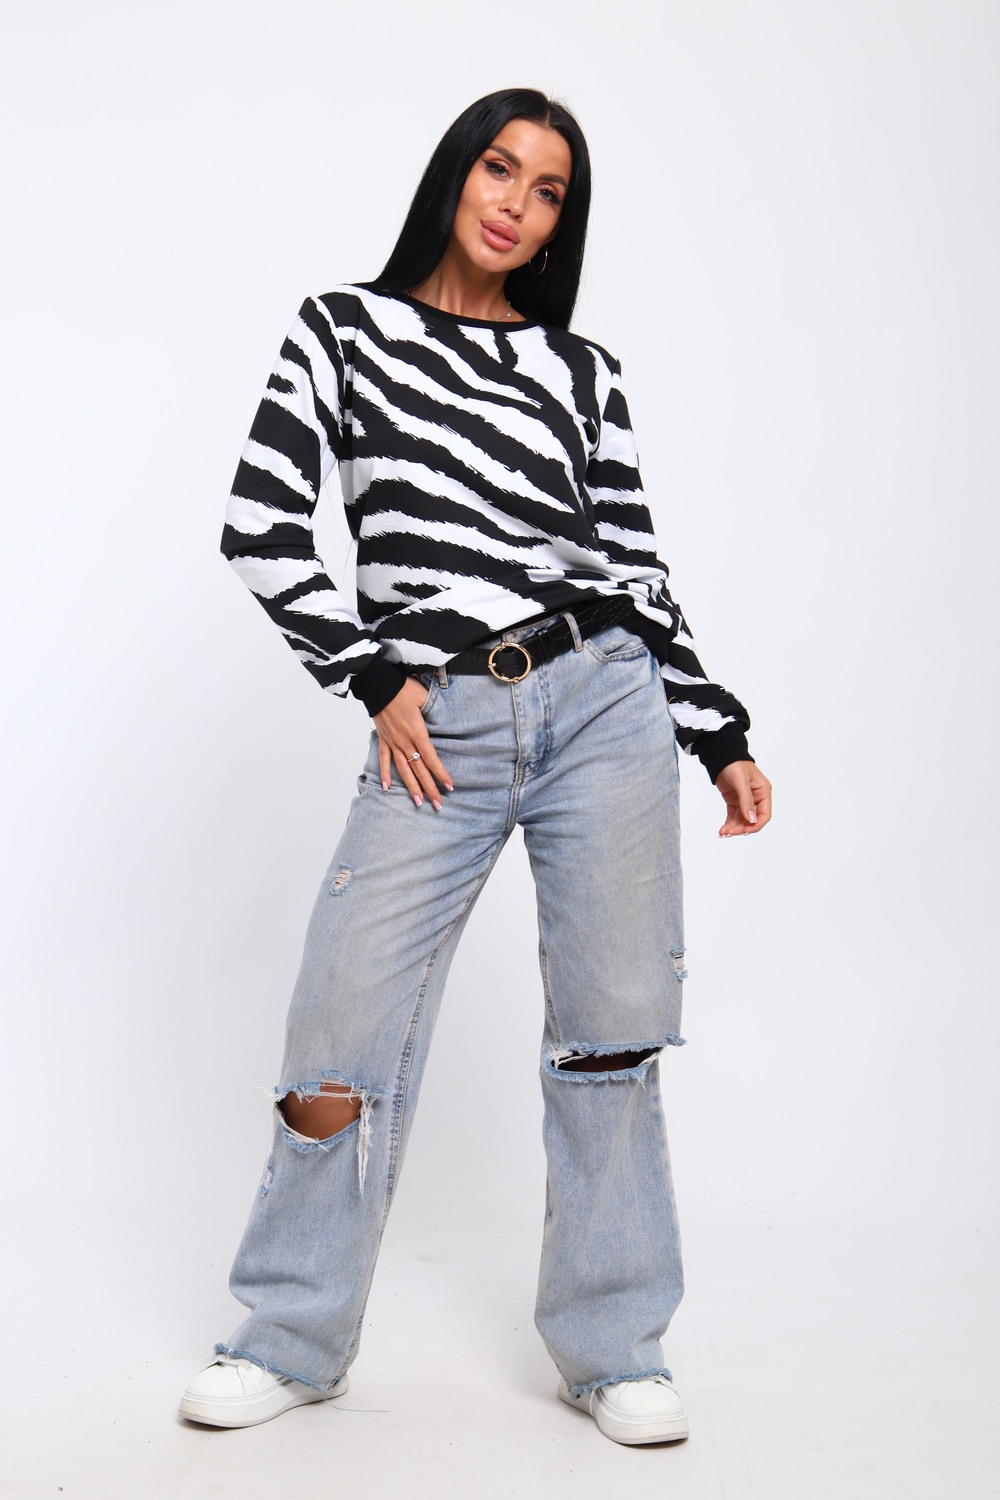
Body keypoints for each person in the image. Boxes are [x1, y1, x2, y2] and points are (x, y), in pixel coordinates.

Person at [179, 86, 772, 1446]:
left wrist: (717, 730)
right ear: (456, 174)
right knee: (339, 1034)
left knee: (612, 1033)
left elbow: (633, 568)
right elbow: (259, 525)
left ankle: (614, 1349)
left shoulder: (583, 372)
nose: (515, 203)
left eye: (548, 190)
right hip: (436, 720)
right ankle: (289, 1337)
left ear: (564, 220)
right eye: (499, 169)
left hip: (603, 704)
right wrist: (372, 672)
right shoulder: (344, 330)